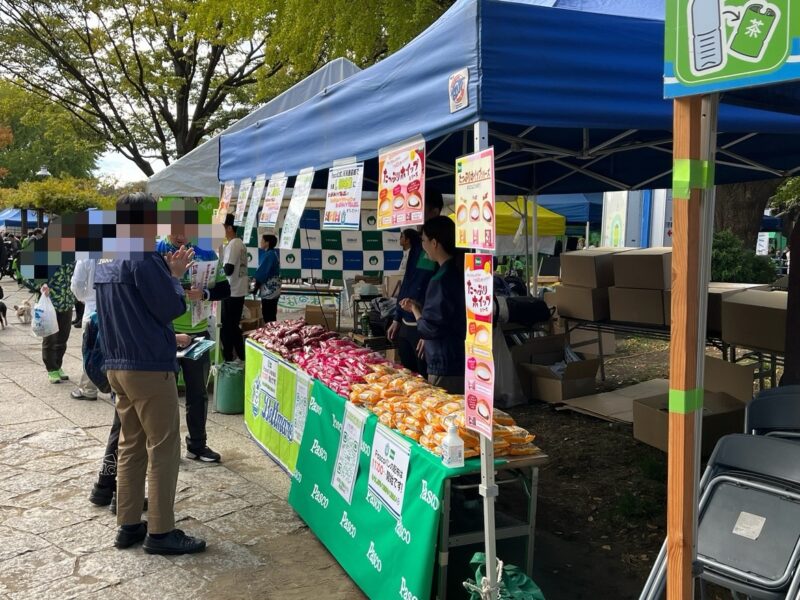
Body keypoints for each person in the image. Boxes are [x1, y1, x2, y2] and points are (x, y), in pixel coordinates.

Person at [95, 192, 205, 555]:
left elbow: (125, 315)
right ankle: (160, 531)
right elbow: (170, 306)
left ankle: (128, 524)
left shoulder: (108, 259)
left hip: (118, 366)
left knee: (131, 445)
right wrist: (175, 276)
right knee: (163, 448)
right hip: (148, 368)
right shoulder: (144, 259)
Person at [156, 227, 231, 463]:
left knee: (198, 393)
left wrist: (205, 293)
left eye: (186, 229)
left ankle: (197, 445)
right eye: (176, 229)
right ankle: (163, 447)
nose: (181, 235)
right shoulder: (157, 251)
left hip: (198, 332)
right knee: (162, 395)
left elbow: (225, 289)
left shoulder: (207, 254)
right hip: (166, 332)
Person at [399, 216, 466, 394]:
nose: (423, 246)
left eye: (424, 241)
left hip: (445, 361)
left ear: (434, 243)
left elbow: (430, 328)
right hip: (456, 356)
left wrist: (414, 309)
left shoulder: (442, 279)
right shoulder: (455, 271)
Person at [386, 191, 444, 377]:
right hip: (406, 325)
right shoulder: (419, 245)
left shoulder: (443, 247)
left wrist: (429, 333)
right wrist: (397, 317)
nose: (416, 216)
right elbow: (408, 280)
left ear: (434, 212)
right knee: (410, 380)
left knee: (427, 383)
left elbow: (440, 297)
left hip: (425, 327)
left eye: (421, 210)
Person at [39, 262, 76, 384]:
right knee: (50, 337)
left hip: (67, 303)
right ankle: (51, 368)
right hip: (51, 304)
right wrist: (41, 285)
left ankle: (58, 365)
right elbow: (27, 273)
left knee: (63, 337)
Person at [69, 259, 99, 399]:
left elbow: (77, 284)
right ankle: (117, 388)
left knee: (91, 350)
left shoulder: (86, 256)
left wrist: (83, 298)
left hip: (93, 308)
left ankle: (88, 389)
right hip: (117, 308)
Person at [220, 213, 247, 362]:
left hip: (231, 291)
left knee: (227, 328)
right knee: (233, 327)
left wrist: (217, 270)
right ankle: (241, 357)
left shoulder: (234, 244)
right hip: (237, 290)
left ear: (229, 228)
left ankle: (229, 358)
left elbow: (228, 270)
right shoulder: (239, 243)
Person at [254, 233, 281, 323]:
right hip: (273, 289)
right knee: (271, 314)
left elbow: (262, 273)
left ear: (267, 243)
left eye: (262, 240)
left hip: (270, 290)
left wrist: (255, 288)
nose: (260, 242)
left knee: (268, 315)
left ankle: (271, 334)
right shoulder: (273, 253)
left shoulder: (269, 255)